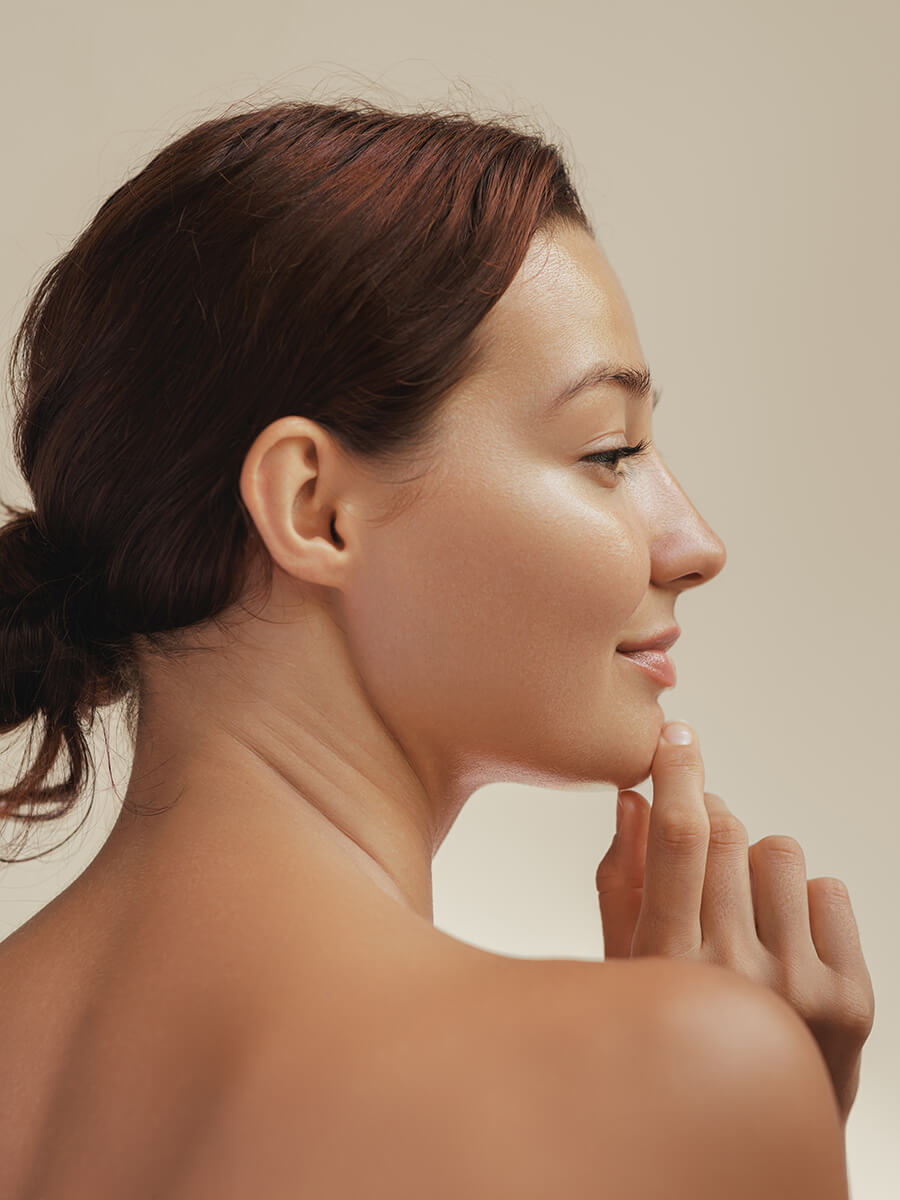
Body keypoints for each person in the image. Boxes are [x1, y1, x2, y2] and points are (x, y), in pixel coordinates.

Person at [0, 98, 871, 1199]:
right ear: (315, 509)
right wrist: (732, 1115)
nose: (698, 545)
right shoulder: (679, 1074)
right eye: (610, 452)